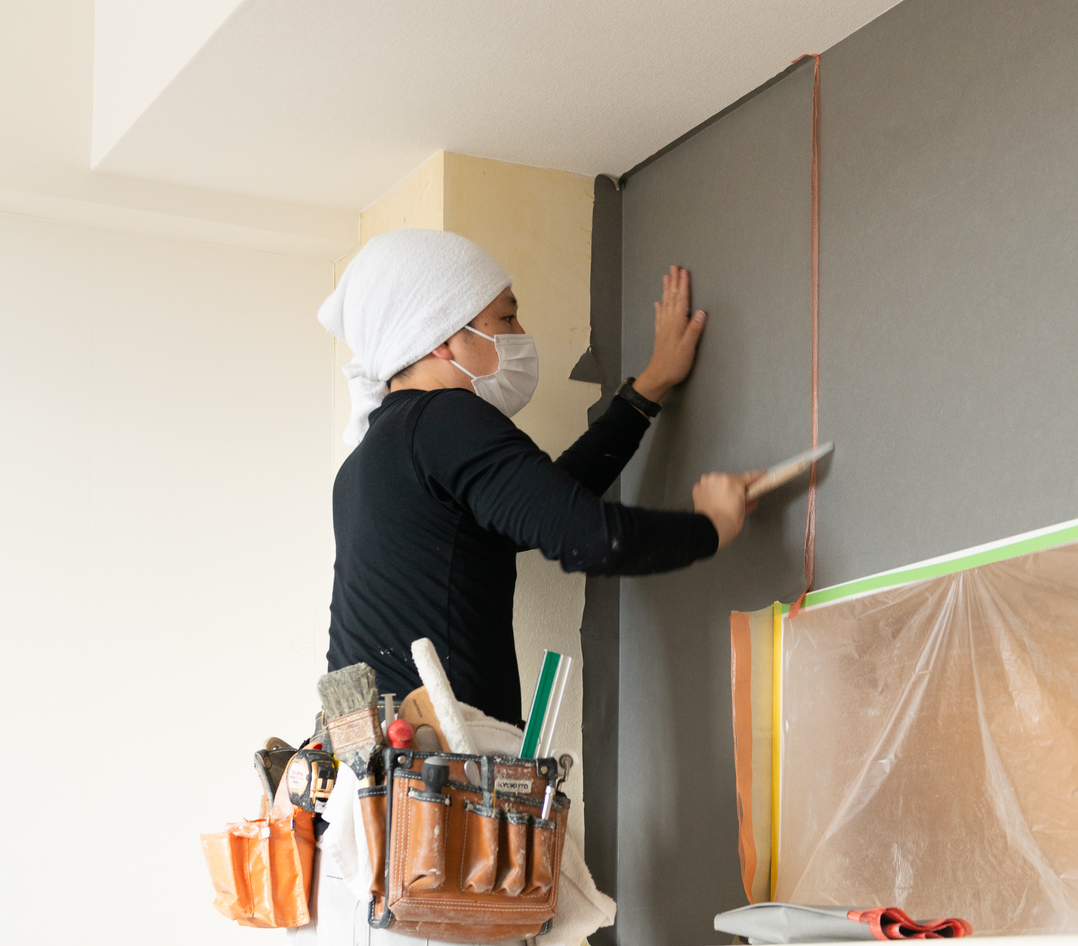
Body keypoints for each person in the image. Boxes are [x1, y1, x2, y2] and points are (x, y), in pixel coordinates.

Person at [318, 227, 758, 725]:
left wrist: (648, 387)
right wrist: (713, 526)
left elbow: (546, 505)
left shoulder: (366, 461)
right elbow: (592, 537)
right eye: (507, 317)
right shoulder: (444, 419)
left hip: (366, 759)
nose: (520, 330)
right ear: (442, 339)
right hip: (436, 764)